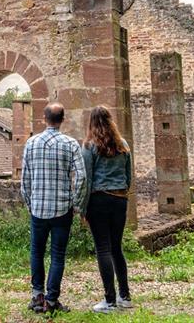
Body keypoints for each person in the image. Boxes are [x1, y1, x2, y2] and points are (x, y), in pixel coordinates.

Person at [20, 102, 86, 314]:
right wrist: (76, 203)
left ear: (44, 118)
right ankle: (52, 300)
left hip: (38, 208)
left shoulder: (31, 143)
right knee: (58, 255)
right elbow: (82, 177)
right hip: (62, 209)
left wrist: (30, 203)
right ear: (62, 119)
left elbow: (25, 179)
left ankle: (37, 296)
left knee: (36, 252)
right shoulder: (71, 144)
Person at [78, 105, 133, 314]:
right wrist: (122, 194)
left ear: (91, 123)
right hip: (120, 199)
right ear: (111, 121)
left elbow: (87, 179)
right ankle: (125, 296)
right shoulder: (123, 144)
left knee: (103, 248)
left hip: (98, 200)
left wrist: (82, 208)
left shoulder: (89, 146)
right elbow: (128, 176)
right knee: (117, 248)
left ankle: (109, 300)